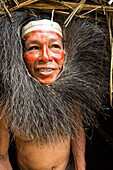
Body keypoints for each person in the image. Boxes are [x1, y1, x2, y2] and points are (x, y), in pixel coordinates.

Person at [0, 8, 110, 170]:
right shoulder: (9, 106)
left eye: (55, 46)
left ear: (65, 54)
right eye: (34, 48)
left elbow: (77, 132)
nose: (45, 57)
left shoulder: (71, 97)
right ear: (21, 56)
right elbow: (2, 156)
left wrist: (81, 166)